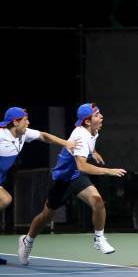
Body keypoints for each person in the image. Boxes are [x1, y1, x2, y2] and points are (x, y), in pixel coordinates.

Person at [18, 103, 127, 266]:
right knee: (46, 216)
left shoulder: (93, 131)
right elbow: (82, 165)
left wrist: (94, 152)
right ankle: (28, 241)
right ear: (87, 121)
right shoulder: (81, 135)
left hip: (75, 177)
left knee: (97, 201)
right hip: (61, 180)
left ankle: (99, 238)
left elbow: (84, 155)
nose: (101, 116)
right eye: (97, 115)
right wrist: (108, 171)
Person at [0, 107, 77, 266]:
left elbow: (43, 136)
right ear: (15, 122)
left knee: (4, 200)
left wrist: (66, 143)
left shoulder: (24, 133)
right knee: (5, 199)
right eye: (25, 119)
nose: (28, 122)